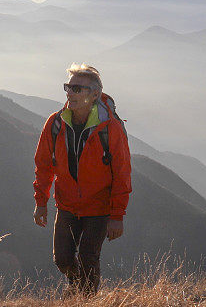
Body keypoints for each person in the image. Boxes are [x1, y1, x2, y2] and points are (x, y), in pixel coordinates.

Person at [32, 64, 132, 296]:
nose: (70, 93)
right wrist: (40, 202)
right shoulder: (55, 123)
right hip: (66, 205)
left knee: (88, 258)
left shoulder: (110, 128)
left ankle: (84, 297)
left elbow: (122, 173)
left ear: (95, 94)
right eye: (68, 87)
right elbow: (43, 165)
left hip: (99, 207)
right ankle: (78, 288)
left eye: (78, 89)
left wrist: (117, 216)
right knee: (63, 259)